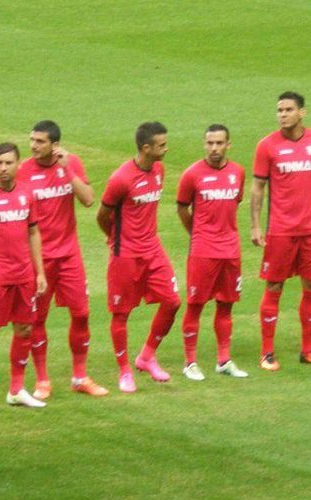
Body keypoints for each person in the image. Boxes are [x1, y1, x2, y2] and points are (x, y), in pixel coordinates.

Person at [17, 120, 108, 399]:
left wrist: (67, 169)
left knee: (81, 314)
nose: (33, 146)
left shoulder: (72, 164)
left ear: (55, 145)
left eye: (40, 141)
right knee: (37, 319)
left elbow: (89, 199)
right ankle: (42, 380)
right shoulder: (24, 171)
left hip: (69, 255)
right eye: (32, 140)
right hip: (40, 260)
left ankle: (80, 377)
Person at [250, 91, 311, 371]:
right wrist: (255, 224)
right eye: (279, 110)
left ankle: (308, 351)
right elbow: (258, 187)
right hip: (281, 231)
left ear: (302, 113)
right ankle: (266, 353)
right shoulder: (267, 146)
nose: (282, 115)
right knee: (274, 287)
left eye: (288, 110)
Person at [97, 122, 181, 392]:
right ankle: (124, 371)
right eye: (161, 145)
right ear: (146, 148)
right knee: (121, 313)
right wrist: (116, 240)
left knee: (172, 302)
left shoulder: (159, 170)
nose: (166, 149)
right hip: (126, 255)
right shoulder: (121, 179)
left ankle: (146, 357)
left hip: (153, 250)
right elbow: (102, 216)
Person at [0, 143, 49, 412]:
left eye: (8, 163)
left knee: (25, 329)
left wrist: (40, 272)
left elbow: (33, 232)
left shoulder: (27, 193)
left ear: (18, 165)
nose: (3, 168)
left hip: (24, 274)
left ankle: (16, 390)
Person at [176, 124, 248, 380]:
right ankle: (190, 363)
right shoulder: (192, 174)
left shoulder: (238, 172)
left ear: (228, 144)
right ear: (204, 144)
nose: (214, 148)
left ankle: (223, 360)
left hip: (231, 250)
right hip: (203, 251)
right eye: (210, 143)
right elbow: (182, 208)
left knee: (226, 305)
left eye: (219, 143)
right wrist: (197, 233)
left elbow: (234, 203)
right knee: (195, 305)